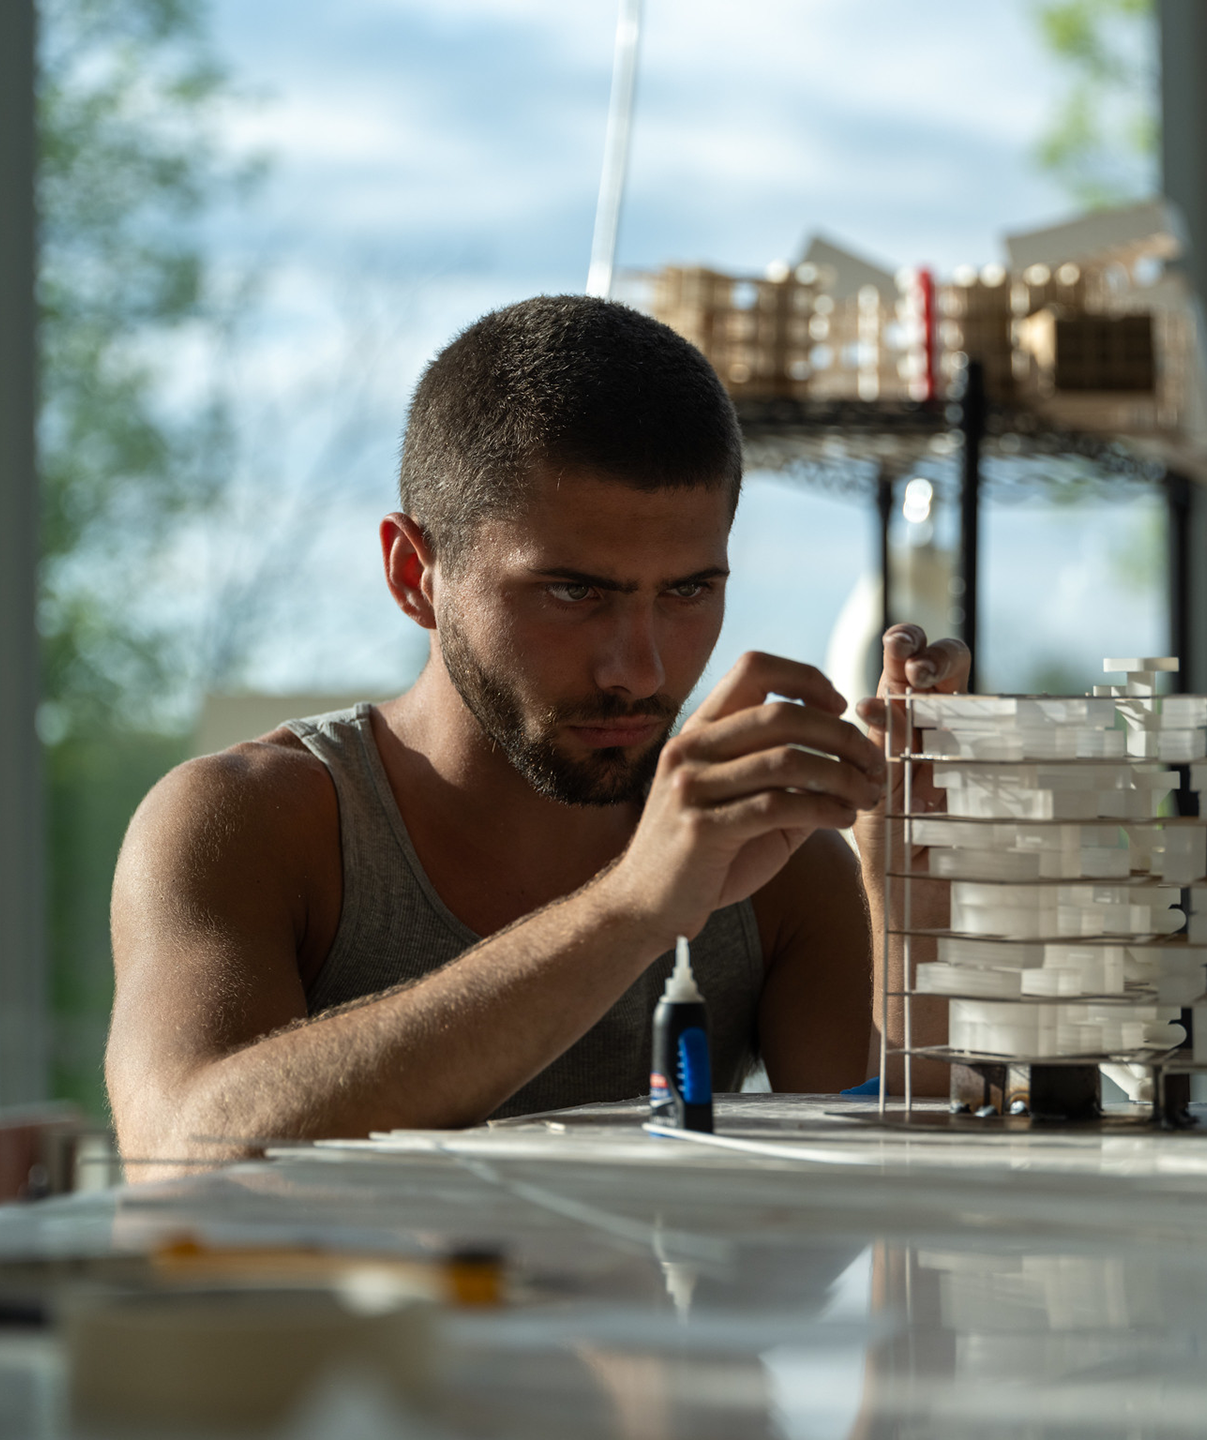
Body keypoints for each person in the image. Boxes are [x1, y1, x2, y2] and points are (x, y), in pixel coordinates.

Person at [106, 295, 964, 1165]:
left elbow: (895, 1203)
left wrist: (914, 908)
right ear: (415, 575)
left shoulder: (771, 868)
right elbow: (177, 1151)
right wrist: (635, 906)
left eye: (688, 592)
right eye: (573, 593)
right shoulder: (249, 823)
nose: (640, 670)